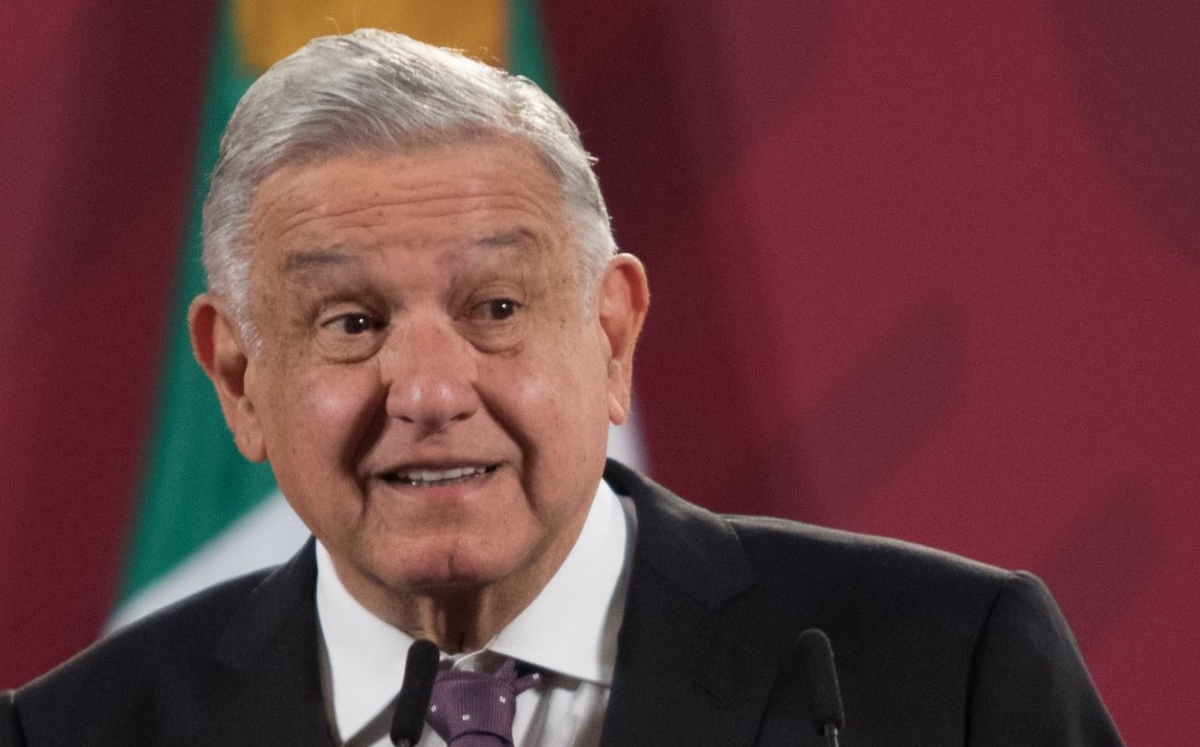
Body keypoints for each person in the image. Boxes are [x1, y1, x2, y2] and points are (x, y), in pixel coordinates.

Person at [0, 29, 1123, 747]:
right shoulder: (74, 735)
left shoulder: (949, 674)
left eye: (496, 308)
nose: (430, 391)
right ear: (240, 378)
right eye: (352, 323)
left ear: (612, 334)